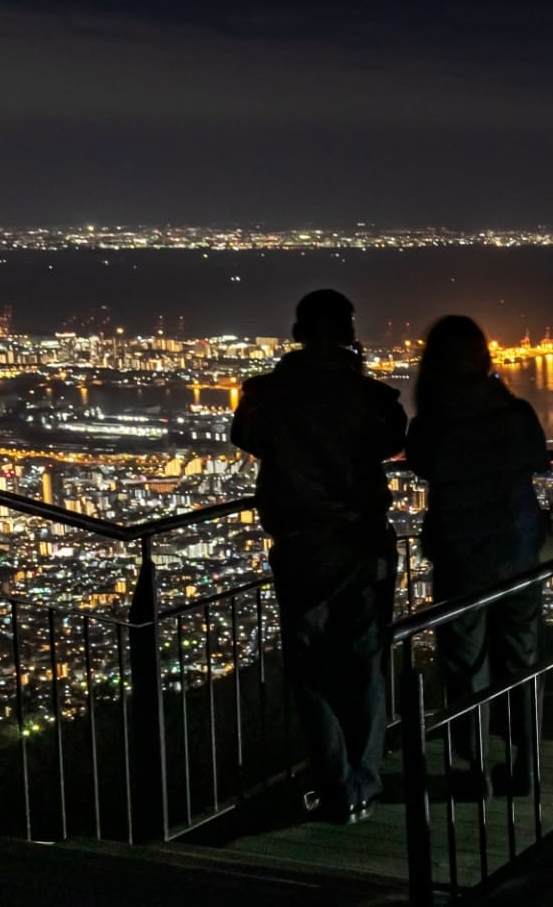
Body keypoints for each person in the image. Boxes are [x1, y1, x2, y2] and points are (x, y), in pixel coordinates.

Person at [230, 289, 408, 825]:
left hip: (302, 544)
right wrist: (355, 376)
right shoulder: (370, 397)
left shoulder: (269, 395)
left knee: (310, 668)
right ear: (351, 335)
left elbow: (246, 433)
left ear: (297, 334)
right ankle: (365, 779)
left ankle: (335, 783)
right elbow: (392, 437)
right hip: (362, 541)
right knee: (366, 663)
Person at [405, 315, 550, 799]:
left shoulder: (435, 421)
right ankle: (526, 763)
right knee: (522, 660)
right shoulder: (513, 412)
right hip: (519, 551)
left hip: (461, 555)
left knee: (466, 666)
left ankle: (474, 769)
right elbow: (539, 457)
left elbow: (422, 462)